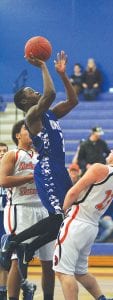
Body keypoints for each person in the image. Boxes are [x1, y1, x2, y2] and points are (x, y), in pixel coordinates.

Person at [0, 51, 78, 273]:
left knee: (64, 219)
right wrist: (44, 66)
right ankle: (13, 241)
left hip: (58, 168)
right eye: (31, 91)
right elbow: (50, 93)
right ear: (26, 101)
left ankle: (28, 246)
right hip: (46, 168)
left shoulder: (50, 114)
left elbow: (73, 100)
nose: (36, 91)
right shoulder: (32, 115)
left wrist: (63, 74)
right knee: (57, 216)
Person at [53, 143, 113, 300]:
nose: (112, 150)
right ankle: (101, 298)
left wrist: (60, 213)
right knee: (80, 272)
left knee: (63, 272)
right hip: (91, 226)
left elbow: (74, 191)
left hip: (76, 220)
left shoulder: (100, 168)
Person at [0, 121, 55, 300]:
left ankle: (48, 297)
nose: (31, 131)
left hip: (43, 209)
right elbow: (3, 181)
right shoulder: (12, 154)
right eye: (26, 128)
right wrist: (32, 177)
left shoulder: (41, 156)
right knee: (18, 258)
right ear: (17, 135)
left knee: (49, 262)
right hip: (20, 209)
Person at [0, 142, 8, 300]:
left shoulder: (12, 170)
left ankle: (3, 291)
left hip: (7, 219)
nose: (2, 153)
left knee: (5, 259)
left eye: (4, 151)